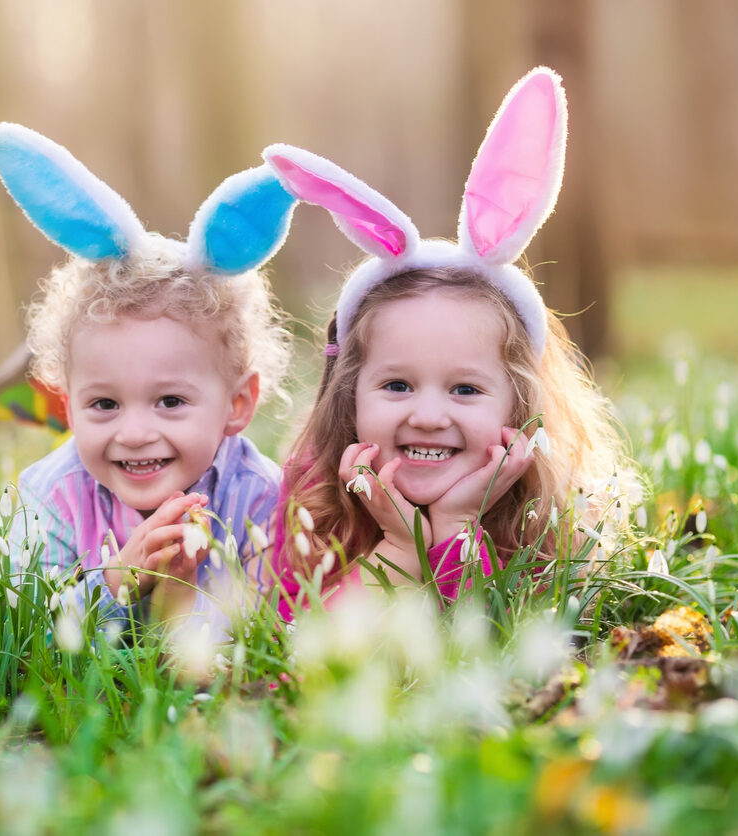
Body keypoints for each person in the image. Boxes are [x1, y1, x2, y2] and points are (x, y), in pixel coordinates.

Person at [262, 68, 638, 618]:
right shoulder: (314, 497)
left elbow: (497, 649)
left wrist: (457, 525)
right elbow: (304, 651)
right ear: (350, 394)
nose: (430, 415)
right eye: (397, 385)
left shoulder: (544, 511)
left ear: (520, 402)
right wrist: (398, 547)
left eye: (465, 389)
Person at [0, 122, 297, 632]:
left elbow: (278, 624)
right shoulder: (52, 496)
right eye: (104, 404)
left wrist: (190, 600)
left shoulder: (259, 498)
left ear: (237, 404)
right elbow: (19, 631)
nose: (133, 434)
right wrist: (116, 584)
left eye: (170, 401)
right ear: (65, 401)